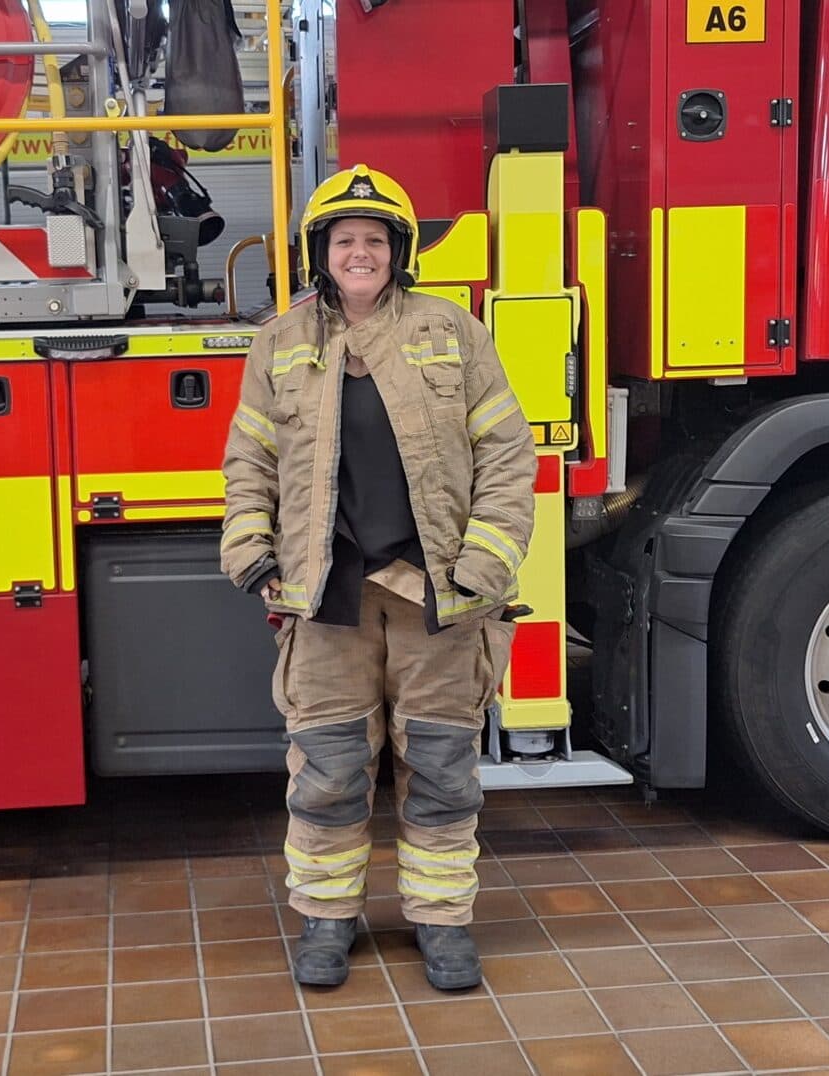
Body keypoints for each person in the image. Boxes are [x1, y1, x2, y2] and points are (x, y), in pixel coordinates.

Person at [221, 164, 536, 990]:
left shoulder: (452, 331)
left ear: (399, 250)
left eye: (373, 240)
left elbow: (507, 456)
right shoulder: (279, 344)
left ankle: (442, 923)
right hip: (325, 598)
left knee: (439, 766)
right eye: (342, 240)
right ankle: (328, 922)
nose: (358, 253)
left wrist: (486, 564)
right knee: (327, 769)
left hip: (437, 596)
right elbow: (247, 463)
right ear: (319, 252)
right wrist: (253, 555)